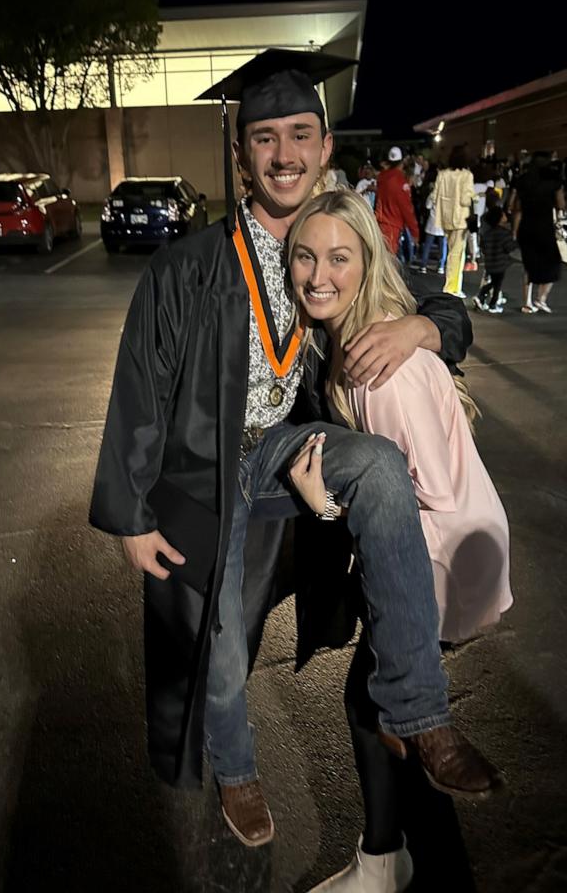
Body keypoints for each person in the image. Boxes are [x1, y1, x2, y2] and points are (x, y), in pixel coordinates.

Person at [89, 49, 490, 850]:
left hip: (284, 449)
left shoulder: (339, 245)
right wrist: (129, 514)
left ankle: (422, 714)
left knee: (376, 467)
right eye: (264, 138)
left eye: (299, 134)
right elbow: (139, 387)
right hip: (203, 474)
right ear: (241, 156)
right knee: (223, 639)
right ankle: (236, 768)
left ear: (325, 146)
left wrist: (421, 327)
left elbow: (439, 307)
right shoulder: (188, 267)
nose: (284, 155)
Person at [287, 189, 511, 892]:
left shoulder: (383, 367)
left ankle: (394, 862)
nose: (319, 274)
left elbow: (433, 503)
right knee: (372, 700)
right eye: (305, 256)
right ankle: (391, 855)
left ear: (370, 261)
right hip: (431, 554)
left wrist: (326, 507)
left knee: (378, 700)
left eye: (339, 257)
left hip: (440, 560)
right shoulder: (350, 342)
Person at [510, 150, 565, 314]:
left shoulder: (524, 181)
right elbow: (561, 204)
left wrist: (514, 231)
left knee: (529, 266)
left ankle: (527, 302)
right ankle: (541, 299)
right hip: (545, 228)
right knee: (552, 264)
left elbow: (516, 208)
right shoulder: (553, 181)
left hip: (526, 228)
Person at [433, 145, 476, 297]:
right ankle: (452, 287)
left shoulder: (442, 174)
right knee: (457, 253)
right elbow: (465, 199)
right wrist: (475, 197)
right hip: (460, 218)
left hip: (445, 217)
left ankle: (451, 285)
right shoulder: (466, 175)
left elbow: (435, 196)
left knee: (452, 250)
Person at [374, 147, 419, 257]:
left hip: (379, 222)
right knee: (388, 261)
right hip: (392, 225)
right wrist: (414, 231)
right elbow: (406, 208)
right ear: (401, 162)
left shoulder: (381, 178)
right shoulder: (400, 181)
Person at [473, 205, 518, 313]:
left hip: (490, 262)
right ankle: (490, 303)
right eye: (503, 215)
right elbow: (509, 247)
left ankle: (483, 299)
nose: (505, 216)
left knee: (494, 282)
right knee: (496, 284)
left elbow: (483, 246)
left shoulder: (488, 234)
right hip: (500, 263)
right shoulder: (504, 233)